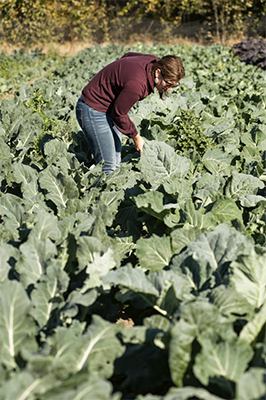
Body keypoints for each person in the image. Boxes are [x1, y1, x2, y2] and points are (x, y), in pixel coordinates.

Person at [76, 52, 185, 176]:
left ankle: (109, 192)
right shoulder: (137, 84)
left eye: (173, 86)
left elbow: (127, 56)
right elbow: (119, 114)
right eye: (168, 83)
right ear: (158, 72)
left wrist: (118, 79)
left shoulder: (152, 61)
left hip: (108, 109)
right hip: (92, 109)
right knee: (108, 166)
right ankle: (97, 195)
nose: (169, 88)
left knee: (116, 160)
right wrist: (136, 137)